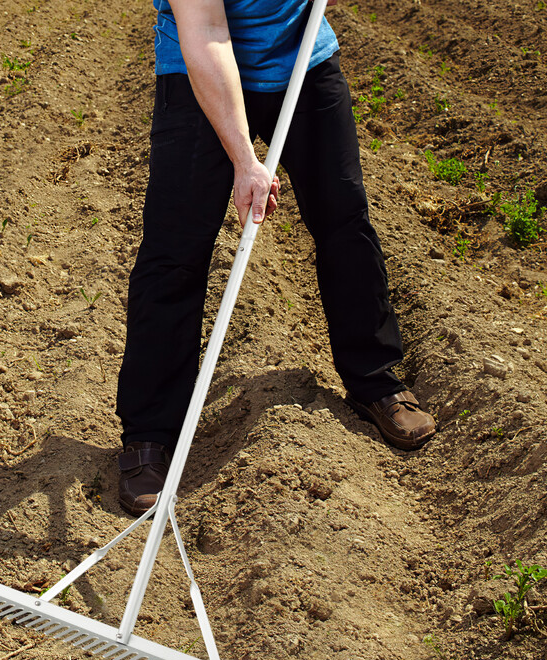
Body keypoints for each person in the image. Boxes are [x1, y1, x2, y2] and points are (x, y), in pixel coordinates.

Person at [115, 0, 436, 516]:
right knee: (174, 251)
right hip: (203, 71)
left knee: (344, 223)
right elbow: (207, 32)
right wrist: (246, 161)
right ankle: (149, 435)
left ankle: (376, 382)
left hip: (303, 62)